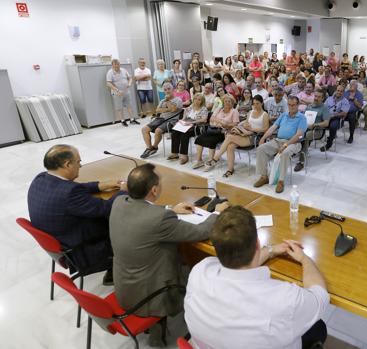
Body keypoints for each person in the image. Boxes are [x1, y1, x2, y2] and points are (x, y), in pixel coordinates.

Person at [110, 163, 228, 346]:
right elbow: (201, 232)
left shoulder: (119, 202)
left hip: (125, 286)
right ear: (155, 189)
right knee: (199, 267)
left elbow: (143, 213)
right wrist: (218, 213)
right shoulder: (159, 219)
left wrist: (171, 209)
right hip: (150, 295)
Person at [185, 206, 329, 349]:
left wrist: (271, 250)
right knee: (318, 328)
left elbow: (238, 265)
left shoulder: (200, 271)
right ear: (257, 245)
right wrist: (305, 259)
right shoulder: (286, 298)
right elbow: (320, 296)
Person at [27, 145, 126, 284]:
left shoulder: (41, 178)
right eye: (78, 162)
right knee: (126, 225)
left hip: (61, 240)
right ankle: (116, 268)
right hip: (82, 249)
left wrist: (100, 185)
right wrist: (123, 190)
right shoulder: (69, 193)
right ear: (67, 165)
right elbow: (107, 207)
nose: (80, 165)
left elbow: (75, 188)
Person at [202, 95, 270, 176]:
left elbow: (265, 129)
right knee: (230, 146)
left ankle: (215, 159)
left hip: (255, 137)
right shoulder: (251, 112)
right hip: (245, 133)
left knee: (230, 137)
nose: (255, 105)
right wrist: (245, 126)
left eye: (257, 103)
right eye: (254, 103)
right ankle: (230, 170)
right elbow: (246, 123)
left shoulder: (265, 114)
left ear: (262, 103)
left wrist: (252, 129)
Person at [253, 96, 307, 193]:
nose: (291, 107)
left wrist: (286, 145)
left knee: (285, 153)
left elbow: (299, 134)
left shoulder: (302, 118)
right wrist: (263, 138)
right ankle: (264, 176)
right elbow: (273, 128)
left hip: (293, 143)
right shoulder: (283, 115)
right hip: (278, 141)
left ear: (298, 105)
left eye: (293, 105)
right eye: (289, 105)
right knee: (261, 148)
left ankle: (281, 181)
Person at [195, 95, 240, 169]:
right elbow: (211, 119)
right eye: (225, 101)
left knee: (211, 141)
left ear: (232, 103)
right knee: (199, 138)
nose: (227, 103)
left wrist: (227, 124)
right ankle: (199, 160)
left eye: (229, 101)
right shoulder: (219, 109)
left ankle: (211, 161)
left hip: (224, 132)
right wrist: (221, 122)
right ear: (223, 102)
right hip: (213, 129)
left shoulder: (234, 111)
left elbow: (235, 124)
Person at [140, 82, 182, 159]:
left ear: (173, 90)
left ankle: (155, 147)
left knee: (158, 130)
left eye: (169, 89)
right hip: (160, 119)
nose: (167, 91)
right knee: (144, 129)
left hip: (171, 120)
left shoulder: (178, 100)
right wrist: (167, 109)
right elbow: (157, 110)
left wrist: (168, 102)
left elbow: (173, 110)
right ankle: (150, 148)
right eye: (165, 90)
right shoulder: (162, 100)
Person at [294, 89, 330, 172]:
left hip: (318, 130)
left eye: (319, 97)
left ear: (323, 98)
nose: (316, 98)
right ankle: (295, 150)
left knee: (304, 136)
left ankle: (301, 162)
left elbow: (326, 123)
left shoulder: (324, 108)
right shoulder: (310, 106)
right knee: (295, 132)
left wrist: (315, 125)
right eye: (315, 96)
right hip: (307, 128)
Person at [168, 93, 208, 165]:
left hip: (197, 126)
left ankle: (184, 155)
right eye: (195, 99)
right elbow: (185, 117)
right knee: (175, 131)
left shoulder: (204, 109)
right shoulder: (191, 106)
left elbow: (204, 120)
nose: (196, 101)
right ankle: (175, 153)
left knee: (184, 133)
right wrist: (182, 119)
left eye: (199, 100)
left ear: (202, 101)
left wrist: (192, 122)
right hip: (187, 123)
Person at [106, 59, 138, 126]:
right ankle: (122, 120)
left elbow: (130, 78)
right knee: (119, 107)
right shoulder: (110, 72)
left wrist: (129, 83)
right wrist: (117, 90)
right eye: (115, 64)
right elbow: (108, 83)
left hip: (126, 92)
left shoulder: (124, 70)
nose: (117, 65)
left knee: (129, 105)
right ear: (112, 65)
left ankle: (132, 119)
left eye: (118, 64)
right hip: (117, 93)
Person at [321, 85, 351, 152]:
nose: (339, 92)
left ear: (343, 93)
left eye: (341, 91)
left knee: (333, 126)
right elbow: (324, 107)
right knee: (318, 121)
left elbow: (344, 113)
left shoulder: (345, 101)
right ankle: (319, 136)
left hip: (337, 118)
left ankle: (329, 143)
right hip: (326, 116)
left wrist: (334, 115)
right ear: (335, 91)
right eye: (338, 90)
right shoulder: (329, 98)